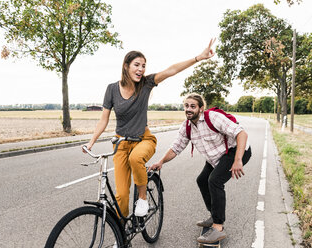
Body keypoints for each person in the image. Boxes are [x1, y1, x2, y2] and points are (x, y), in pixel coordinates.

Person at [83, 39, 215, 219]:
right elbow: (103, 119)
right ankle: (120, 235)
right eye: (136, 65)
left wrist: (198, 58)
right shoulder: (112, 89)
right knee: (121, 196)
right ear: (126, 66)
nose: (141, 69)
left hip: (143, 139)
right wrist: (90, 143)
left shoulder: (145, 84)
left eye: (144, 66)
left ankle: (143, 198)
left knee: (136, 158)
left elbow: (171, 70)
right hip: (121, 143)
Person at [149, 93, 252, 243]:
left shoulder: (213, 117)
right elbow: (176, 148)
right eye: (186, 106)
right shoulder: (187, 126)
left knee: (215, 181)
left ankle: (218, 228)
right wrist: (161, 162)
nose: (189, 109)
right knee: (202, 180)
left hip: (236, 151)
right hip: (217, 157)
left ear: (201, 108)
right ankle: (214, 214)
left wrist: (238, 160)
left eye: (193, 106)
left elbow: (241, 133)